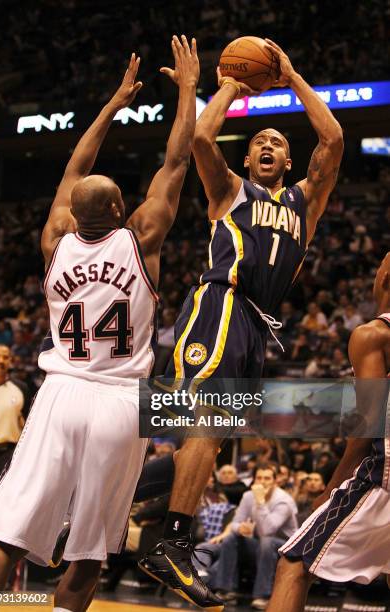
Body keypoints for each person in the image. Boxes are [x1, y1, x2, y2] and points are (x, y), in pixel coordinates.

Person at [0, 36, 203, 612]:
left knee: (5, 534)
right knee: (87, 550)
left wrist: (111, 105)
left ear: (72, 213)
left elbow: (73, 167)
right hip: (117, 402)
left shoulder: (53, 240)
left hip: (59, 393)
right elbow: (176, 161)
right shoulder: (143, 237)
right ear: (117, 211)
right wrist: (187, 93)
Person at [140, 38, 343, 610]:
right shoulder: (231, 190)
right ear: (249, 160)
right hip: (221, 304)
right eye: (260, 141)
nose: (271, 145)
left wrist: (293, 72)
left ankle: (129, 500)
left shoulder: (307, 200)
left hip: (257, 325)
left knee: (207, 441)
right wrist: (233, 82)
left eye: (279, 141)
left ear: (287, 159)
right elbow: (202, 138)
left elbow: (332, 139)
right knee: (204, 422)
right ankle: (173, 542)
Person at [267, 252, 390, 612]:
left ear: (384, 279)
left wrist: (333, 486)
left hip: (382, 475)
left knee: (294, 562)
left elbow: (368, 425)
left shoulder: (374, 335)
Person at [210, 465, 298, 609]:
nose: (263, 482)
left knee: (267, 542)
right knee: (231, 538)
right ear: (254, 480)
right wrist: (240, 528)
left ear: (275, 482)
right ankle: (226, 590)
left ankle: (262, 595)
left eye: (267, 478)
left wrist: (260, 502)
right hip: (261, 545)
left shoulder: (284, 501)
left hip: (286, 549)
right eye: (259, 478)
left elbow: (267, 531)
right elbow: (234, 523)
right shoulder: (248, 496)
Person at [0, 345, 29, 491]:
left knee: (5, 503)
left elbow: (28, 425)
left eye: (5, 357)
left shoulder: (21, 388)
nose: (1, 361)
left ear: (10, 361)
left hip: (9, 455)